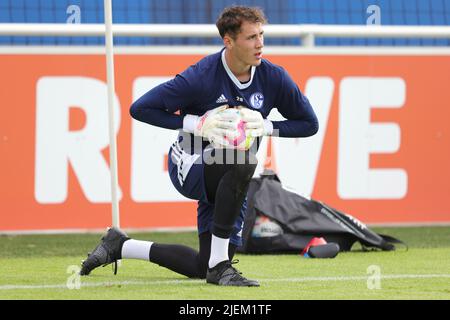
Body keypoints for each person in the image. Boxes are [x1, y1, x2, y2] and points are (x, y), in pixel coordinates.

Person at [80, 5, 318, 287]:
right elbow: (140, 108)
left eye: (261, 35)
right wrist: (197, 123)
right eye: (251, 37)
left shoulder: (273, 77)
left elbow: (309, 123)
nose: (260, 44)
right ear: (228, 41)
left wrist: (267, 126)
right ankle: (221, 268)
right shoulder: (201, 76)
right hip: (190, 163)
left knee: (202, 264)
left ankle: (120, 245)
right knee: (243, 163)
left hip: (232, 176)